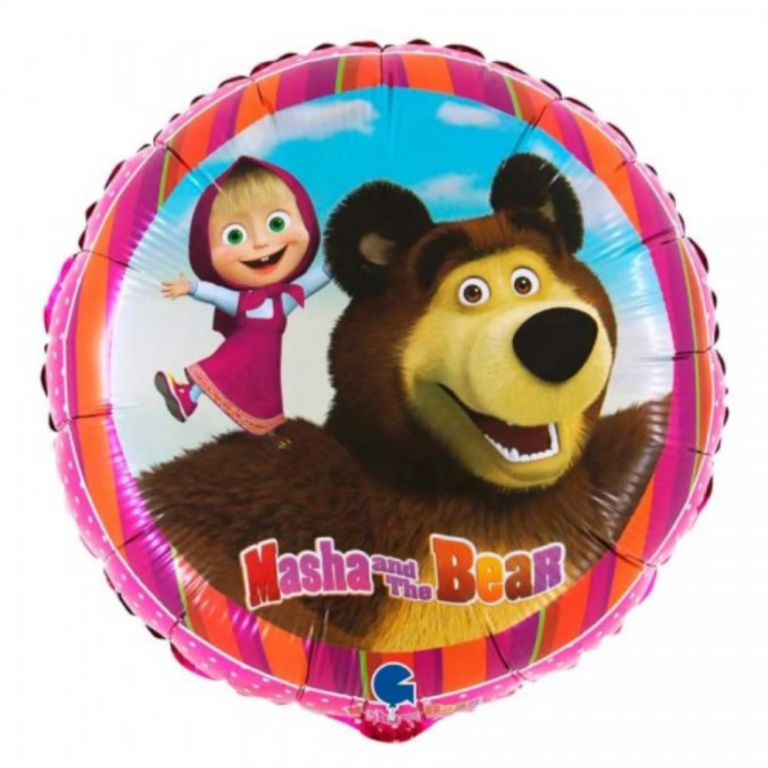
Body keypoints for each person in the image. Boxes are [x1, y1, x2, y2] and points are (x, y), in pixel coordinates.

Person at [155, 157, 326, 436]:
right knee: (220, 367)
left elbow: (315, 280)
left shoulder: (284, 300)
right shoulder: (243, 302)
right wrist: (192, 288)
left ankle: (267, 430)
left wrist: (340, 260)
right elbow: (216, 295)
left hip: (266, 365)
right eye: (235, 236)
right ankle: (189, 397)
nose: (261, 243)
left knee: (265, 397)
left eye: (277, 223)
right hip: (239, 353)